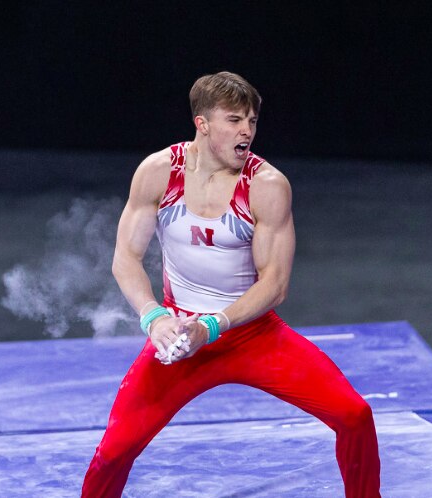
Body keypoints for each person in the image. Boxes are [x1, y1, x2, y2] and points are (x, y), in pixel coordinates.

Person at [82, 72, 381, 497]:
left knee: (355, 415)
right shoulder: (158, 172)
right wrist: (155, 318)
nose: (247, 132)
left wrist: (214, 326)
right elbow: (125, 258)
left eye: (252, 122)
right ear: (202, 124)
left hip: (251, 336)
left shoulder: (267, 186)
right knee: (114, 451)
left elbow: (275, 285)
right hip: (181, 337)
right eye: (235, 120)